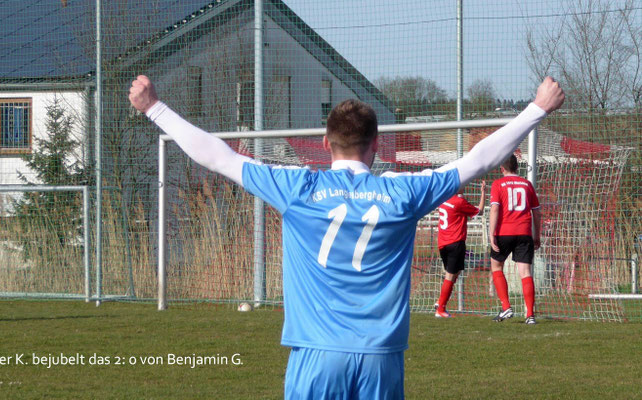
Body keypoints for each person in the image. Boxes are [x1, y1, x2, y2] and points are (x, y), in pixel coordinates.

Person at [129, 75, 563, 398]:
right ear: (375, 145)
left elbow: (218, 156)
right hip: (380, 359)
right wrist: (536, 109)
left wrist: (155, 108)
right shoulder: (403, 193)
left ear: (325, 142)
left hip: (316, 355)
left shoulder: (298, 188)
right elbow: (478, 160)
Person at [488, 154, 541, 324]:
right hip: (524, 232)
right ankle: (530, 315)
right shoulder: (527, 184)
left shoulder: (497, 184)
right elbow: (536, 212)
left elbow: (495, 209)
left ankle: (506, 307)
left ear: (501, 168)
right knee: (525, 272)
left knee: (496, 266)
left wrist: (491, 233)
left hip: (504, 232)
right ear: (517, 167)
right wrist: (537, 235)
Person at [434, 180, 486, 318]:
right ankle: (440, 309)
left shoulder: (443, 199)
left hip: (443, 243)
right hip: (455, 242)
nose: (465, 186)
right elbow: (479, 211)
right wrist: (483, 193)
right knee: (450, 275)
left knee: (454, 272)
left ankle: (440, 301)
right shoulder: (459, 202)